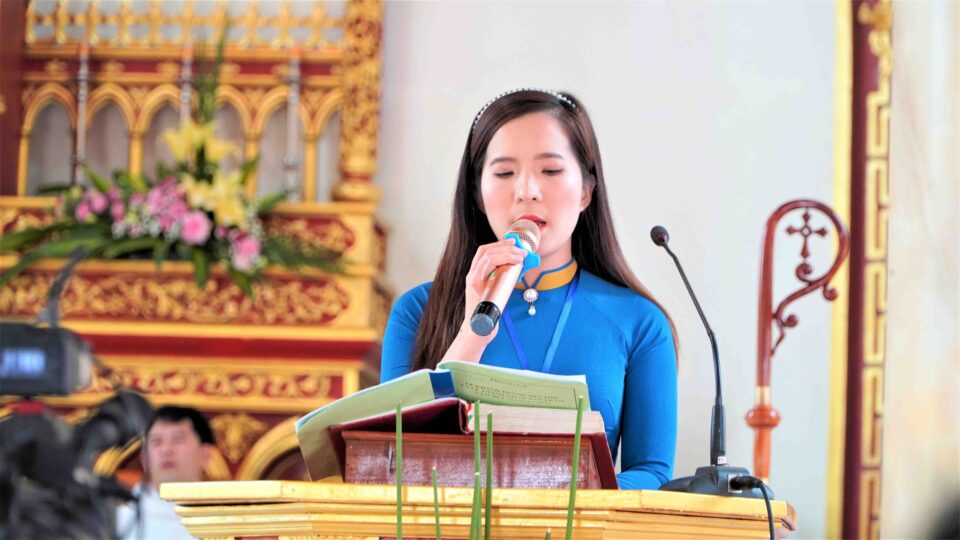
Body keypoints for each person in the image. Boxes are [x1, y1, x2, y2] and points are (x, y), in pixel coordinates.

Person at [380, 89, 678, 490]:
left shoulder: (639, 321)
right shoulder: (416, 311)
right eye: (504, 173)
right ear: (477, 194)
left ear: (587, 190)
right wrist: (473, 331)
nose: (526, 191)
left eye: (550, 171)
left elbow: (653, 473)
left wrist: (554, 498)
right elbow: (390, 460)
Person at [116, 405, 215, 540]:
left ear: (206, 454)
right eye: (156, 442)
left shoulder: (225, 520)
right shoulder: (120, 521)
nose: (166, 450)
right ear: (144, 459)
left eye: (178, 440)